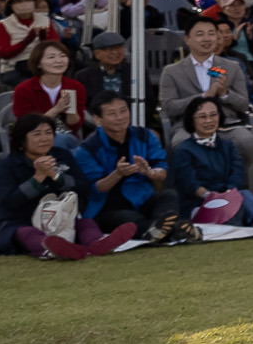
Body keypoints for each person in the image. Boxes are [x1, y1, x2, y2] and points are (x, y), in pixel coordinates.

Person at [77, 91, 183, 245]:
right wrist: (117, 174)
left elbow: (162, 173)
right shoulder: (86, 149)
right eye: (112, 114)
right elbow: (95, 189)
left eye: (123, 110)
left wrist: (149, 172)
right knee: (129, 219)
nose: (120, 117)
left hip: (142, 199)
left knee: (169, 195)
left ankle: (158, 230)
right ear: (97, 119)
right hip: (107, 208)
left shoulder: (145, 136)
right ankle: (173, 229)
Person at [0, 112, 96, 257]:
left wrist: (56, 177)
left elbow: (84, 189)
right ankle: (50, 247)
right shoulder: (8, 165)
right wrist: (37, 178)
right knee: (27, 233)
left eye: (48, 133)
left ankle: (97, 244)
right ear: (21, 140)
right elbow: (8, 203)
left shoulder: (62, 156)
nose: (44, 139)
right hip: (21, 221)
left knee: (86, 224)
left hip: (60, 220)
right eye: (37, 134)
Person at [160, 18, 253, 172]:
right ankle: (195, 189)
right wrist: (205, 96)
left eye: (211, 34)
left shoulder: (232, 67)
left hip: (227, 125)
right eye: (200, 34)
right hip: (188, 127)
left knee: (246, 141)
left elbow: (244, 104)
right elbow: (170, 107)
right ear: (187, 39)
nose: (206, 39)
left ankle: (231, 183)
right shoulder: (172, 71)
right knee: (181, 143)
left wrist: (225, 93)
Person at [169, 95, 253, 229]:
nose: (209, 120)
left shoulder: (228, 146)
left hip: (228, 196)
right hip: (200, 202)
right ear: (192, 120)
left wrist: (228, 193)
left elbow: (238, 174)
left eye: (213, 115)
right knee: (232, 204)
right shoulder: (183, 149)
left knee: (244, 195)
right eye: (202, 117)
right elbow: (189, 183)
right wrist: (212, 196)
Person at [12, 41, 91, 142]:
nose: (59, 61)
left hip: (66, 138)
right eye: (51, 57)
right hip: (32, 138)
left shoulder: (76, 87)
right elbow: (27, 126)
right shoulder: (23, 89)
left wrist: (71, 109)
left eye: (63, 56)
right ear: (38, 64)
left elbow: (74, 127)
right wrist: (57, 109)